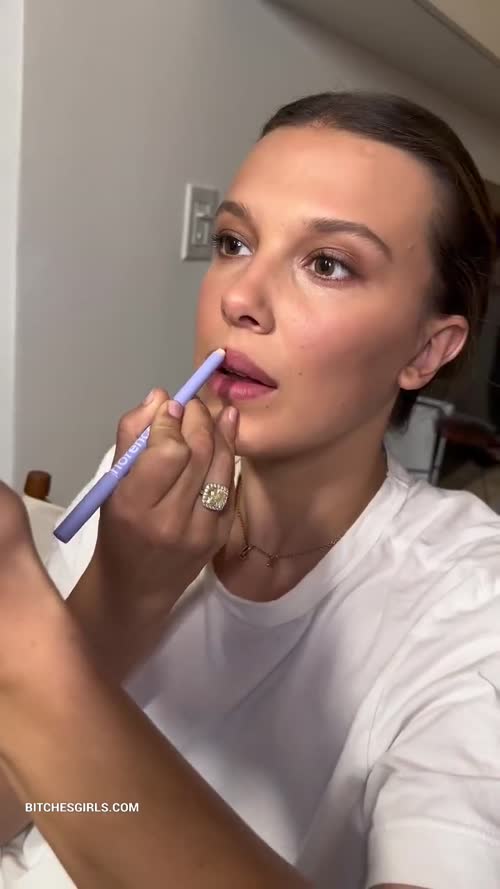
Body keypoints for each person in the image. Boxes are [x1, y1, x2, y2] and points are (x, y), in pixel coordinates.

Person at [0, 91, 499, 889]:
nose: (241, 298)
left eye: (328, 263)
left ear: (426, 349)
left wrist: (32, 651)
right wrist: (123, 594)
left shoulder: (470, 602)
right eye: (234, 242)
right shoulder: (142, 476)